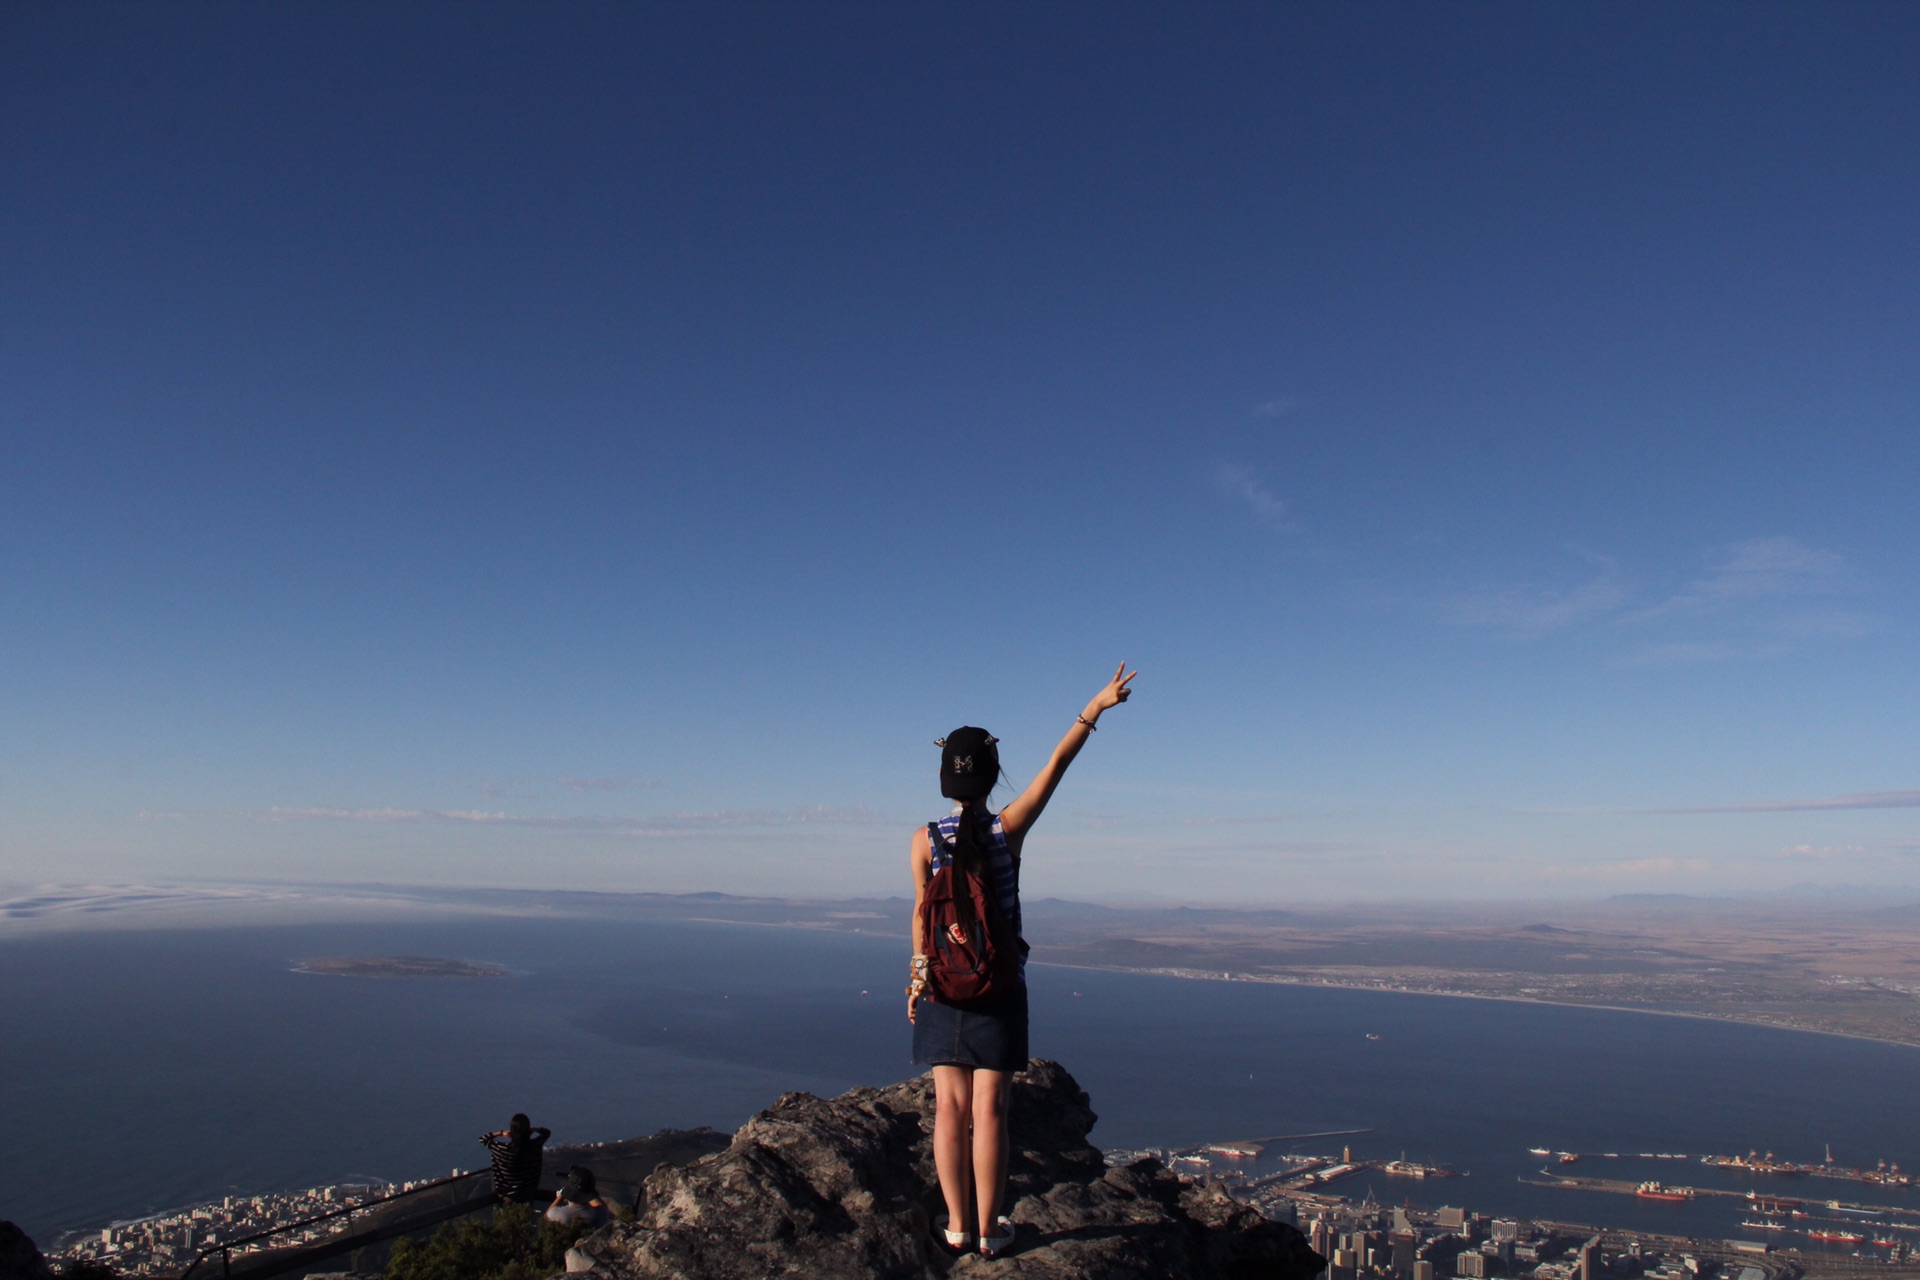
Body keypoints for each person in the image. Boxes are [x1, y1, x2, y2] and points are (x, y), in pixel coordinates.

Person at [908, 663, 1136, 1259]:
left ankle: (955, 1226)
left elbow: (919, 915)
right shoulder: (1009, 827)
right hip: (999, 986)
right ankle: (989, 1230)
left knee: (949, 1110)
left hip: (940, 986)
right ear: (992, 775)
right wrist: (1094, 708)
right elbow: (1055, 767)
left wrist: (918, 975)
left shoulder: (923, 839)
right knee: (992, 1110)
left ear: (943, 778)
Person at [480, 1113, 550, 1204]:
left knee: (508, 1217)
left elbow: (483, 1139)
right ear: (528, 1130)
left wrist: (501, 1133)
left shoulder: (501, 1149)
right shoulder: (534, 1146)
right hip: (528, 1193)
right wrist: (534, 1129)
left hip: (506, 1196)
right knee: (525, 1217)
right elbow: (547, 1133)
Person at [545, 1165, 612, 1228]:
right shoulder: (600, 1215)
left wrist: (562, 1195)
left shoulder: (558, 1214)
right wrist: (592, 1194)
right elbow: (602, 1206)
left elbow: (545, 1218)